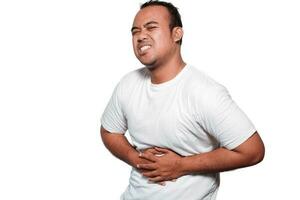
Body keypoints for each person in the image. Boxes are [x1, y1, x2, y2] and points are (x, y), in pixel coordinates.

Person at [100, 0, 265, 199]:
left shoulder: (205, 92)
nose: (141, 36)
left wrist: (181, 165)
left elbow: (253, 151)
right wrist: (135, 158)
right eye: (135, 31)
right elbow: (109, 131)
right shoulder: (128, 84)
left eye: (151, 27)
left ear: (176, 34)